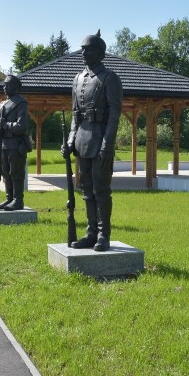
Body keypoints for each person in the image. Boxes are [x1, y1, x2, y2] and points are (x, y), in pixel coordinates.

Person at [62, 31, 123, 251]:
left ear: (100, 53)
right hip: (82, 142)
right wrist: (70, 140)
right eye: (82, 49)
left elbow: (114, 114)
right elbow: (74, 115)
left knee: (101, 190)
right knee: (86, 190)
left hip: (100, 141)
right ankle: (90, 233)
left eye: (88, 49)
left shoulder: (109, 78)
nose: (83, 53)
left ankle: (103, 235)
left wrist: (108, 145)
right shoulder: (77, 79)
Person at [0, 74, 32, 211]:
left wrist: (6, 125)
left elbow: (22, 126)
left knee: (16, 173)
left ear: (15, 87)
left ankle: (18, 200)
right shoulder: (2, 104)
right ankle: (9, 198)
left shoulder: (21, 103)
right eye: (4, 84)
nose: (5, 87)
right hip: (3, 144)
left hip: (16, 144)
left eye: (8, 85)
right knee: (5, 173)